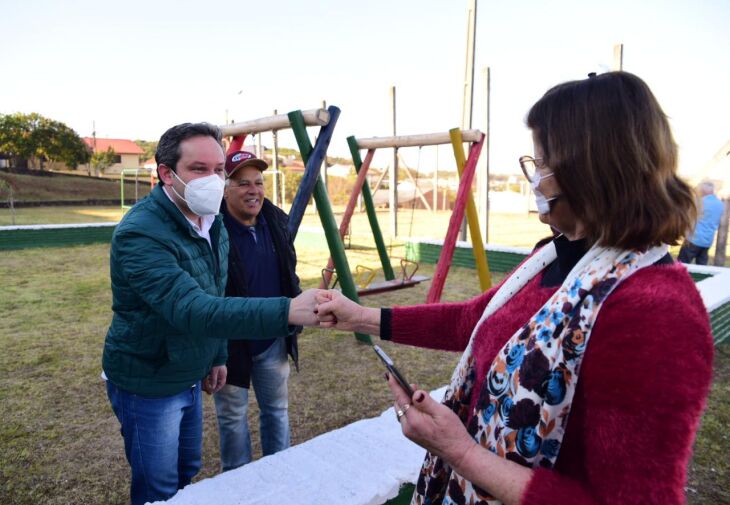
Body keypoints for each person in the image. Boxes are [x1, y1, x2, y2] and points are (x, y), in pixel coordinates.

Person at [316, 72, 714, 505]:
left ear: (589, 170)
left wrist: (460, 450)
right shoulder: (556, 254)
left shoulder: (656, 311)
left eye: (542, 162)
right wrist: (359, 317)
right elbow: (474, 320)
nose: (535, 177)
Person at [102, 122, 321, 505]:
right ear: (166, 174)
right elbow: (194, 308)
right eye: (199, 169)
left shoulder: (212, 220)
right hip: (149, 379)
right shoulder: (140, 233)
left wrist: (217, 354)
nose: (213, 179)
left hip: (189, 371)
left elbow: (214, 288)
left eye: (218, 170)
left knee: (187, 470)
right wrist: (288, 309)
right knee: (158, 487)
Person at [212, 150, 301, 471]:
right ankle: (237, 484)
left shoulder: (276, 221)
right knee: (233, 416)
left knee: (276, 410)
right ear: (225, 190)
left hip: (272, 339)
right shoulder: (211, 230)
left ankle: (280, 474)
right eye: (243, 184)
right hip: (231, 344)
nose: (254, 190)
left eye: (259, 183)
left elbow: (288, 273)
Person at [678, 180, 724, 265]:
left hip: (694, 238)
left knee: (681, 264)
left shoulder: (699, 202)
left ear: (702, 191)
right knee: (702, 267)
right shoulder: (720, 203)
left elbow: (688, 216)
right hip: (708, 240)